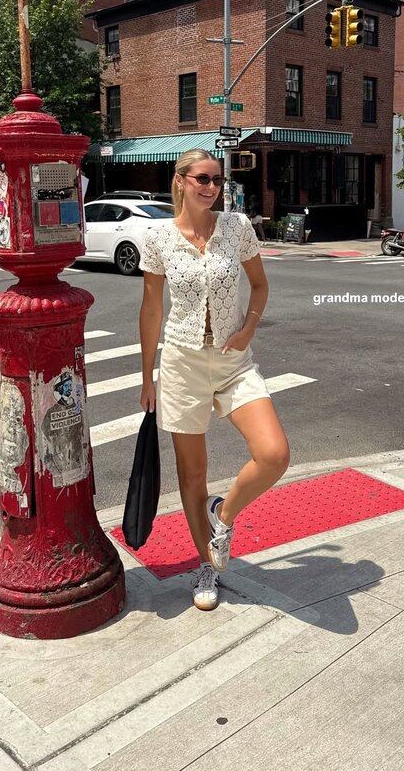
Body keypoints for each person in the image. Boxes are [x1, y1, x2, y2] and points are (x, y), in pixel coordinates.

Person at [139, 149, 290, 612]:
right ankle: (207, 564)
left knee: (273, 454)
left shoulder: (237, 227)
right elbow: (151, 308)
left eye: (217, 180)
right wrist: (147, 377)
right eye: (202, 179)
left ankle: (222, 515)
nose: (211, 188)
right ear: (181, 181)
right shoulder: (158, 237)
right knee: (192, 474)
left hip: (233, 360)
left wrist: (248, 329)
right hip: (182, 362)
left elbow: (260, 285)